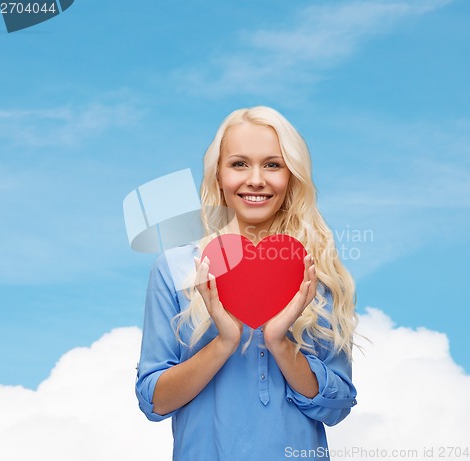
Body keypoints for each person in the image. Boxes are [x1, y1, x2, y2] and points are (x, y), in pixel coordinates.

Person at [135, 106, 358, 461]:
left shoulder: (316, 272)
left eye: (273, 164)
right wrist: (226, 341)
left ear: (292, 177)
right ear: (218, 177)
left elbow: (337, 407)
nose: (256, 179)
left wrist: (278, 342)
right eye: (239, 164)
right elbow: (154, 401)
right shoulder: (175, 270)